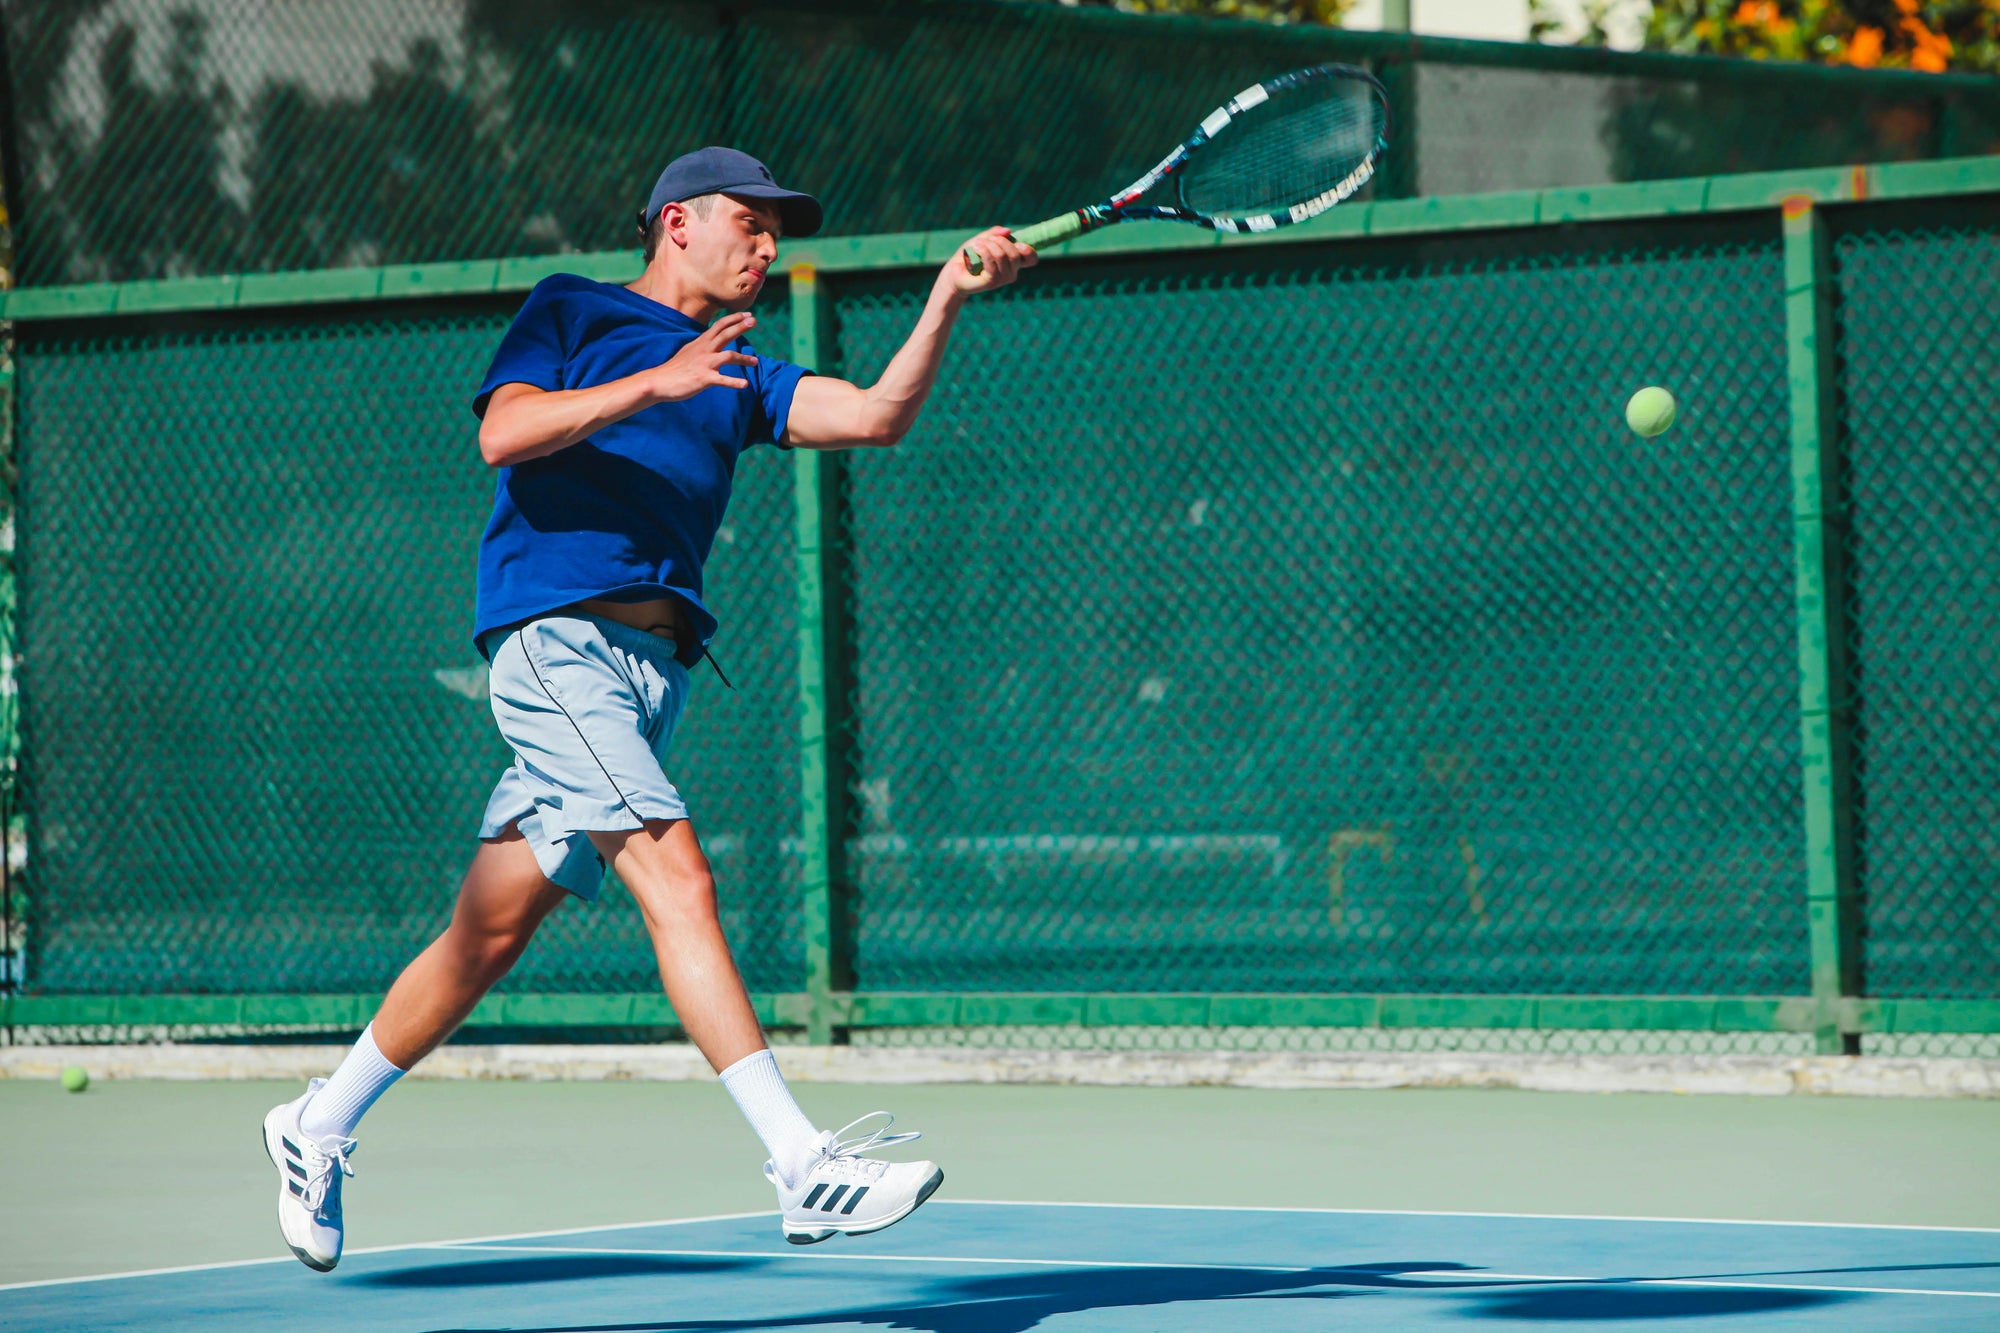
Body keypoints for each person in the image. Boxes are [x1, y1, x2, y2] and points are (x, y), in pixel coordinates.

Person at [259, 146, 1036, 1272]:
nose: (769, 248)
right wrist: (650, 384)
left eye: (780, 232)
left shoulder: (742, 370)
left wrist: (944, 298)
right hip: (554, 640)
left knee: (487, 931)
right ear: (676, 222)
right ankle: (801, 1165)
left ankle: (315, 1122)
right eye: (750, 223)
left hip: (648, 675)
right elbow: (503, 433)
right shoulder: (571, 310)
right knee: (680, 872)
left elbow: (873, 415)